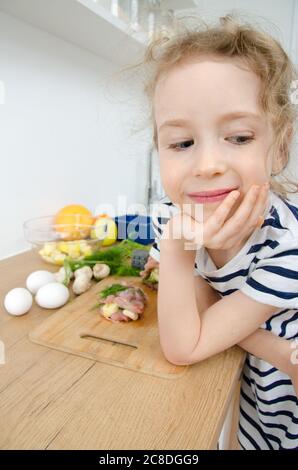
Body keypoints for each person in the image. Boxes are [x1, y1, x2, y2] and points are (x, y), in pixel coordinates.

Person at [139, 14, 298, 449]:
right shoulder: (175, 214)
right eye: (182, 143)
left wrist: (178, 255)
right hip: (242, 391)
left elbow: (183, 345)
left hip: (283, 410)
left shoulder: (287, 246)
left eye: (240, 137)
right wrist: (172, 259)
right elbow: (179, 289)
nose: (207, 164)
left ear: (279, 144)